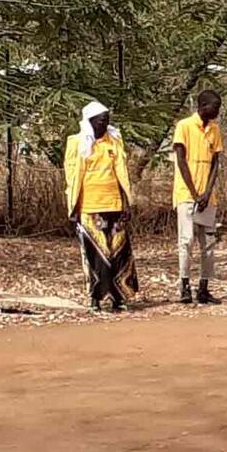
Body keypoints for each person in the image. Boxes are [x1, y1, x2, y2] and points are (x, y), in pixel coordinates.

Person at [64, 102, 138, 313]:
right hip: (89, 206)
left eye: (107, 119)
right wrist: (74, 206)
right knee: (96, 253)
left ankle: (119, 296)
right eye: (101, 119)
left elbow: (121, 173)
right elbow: (72, 176)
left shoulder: (113, 142)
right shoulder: (76, 143)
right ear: (90, 121)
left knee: (118, 252)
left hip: (114, 204)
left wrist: (126, 203)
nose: (105, 123)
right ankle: (95, 298)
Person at [172, 90, 223, 305]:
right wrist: (194, 194)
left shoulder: (215, 129)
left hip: (207, 197)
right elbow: (181, 161)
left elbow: (215, 162)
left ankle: (204, 287)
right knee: (186, 241)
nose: (218, 111)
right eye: (215, 106)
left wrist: (208, 192)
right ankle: (184, 285)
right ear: (203, 106)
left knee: (207, 243)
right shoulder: (184, 126)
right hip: (186, 193)